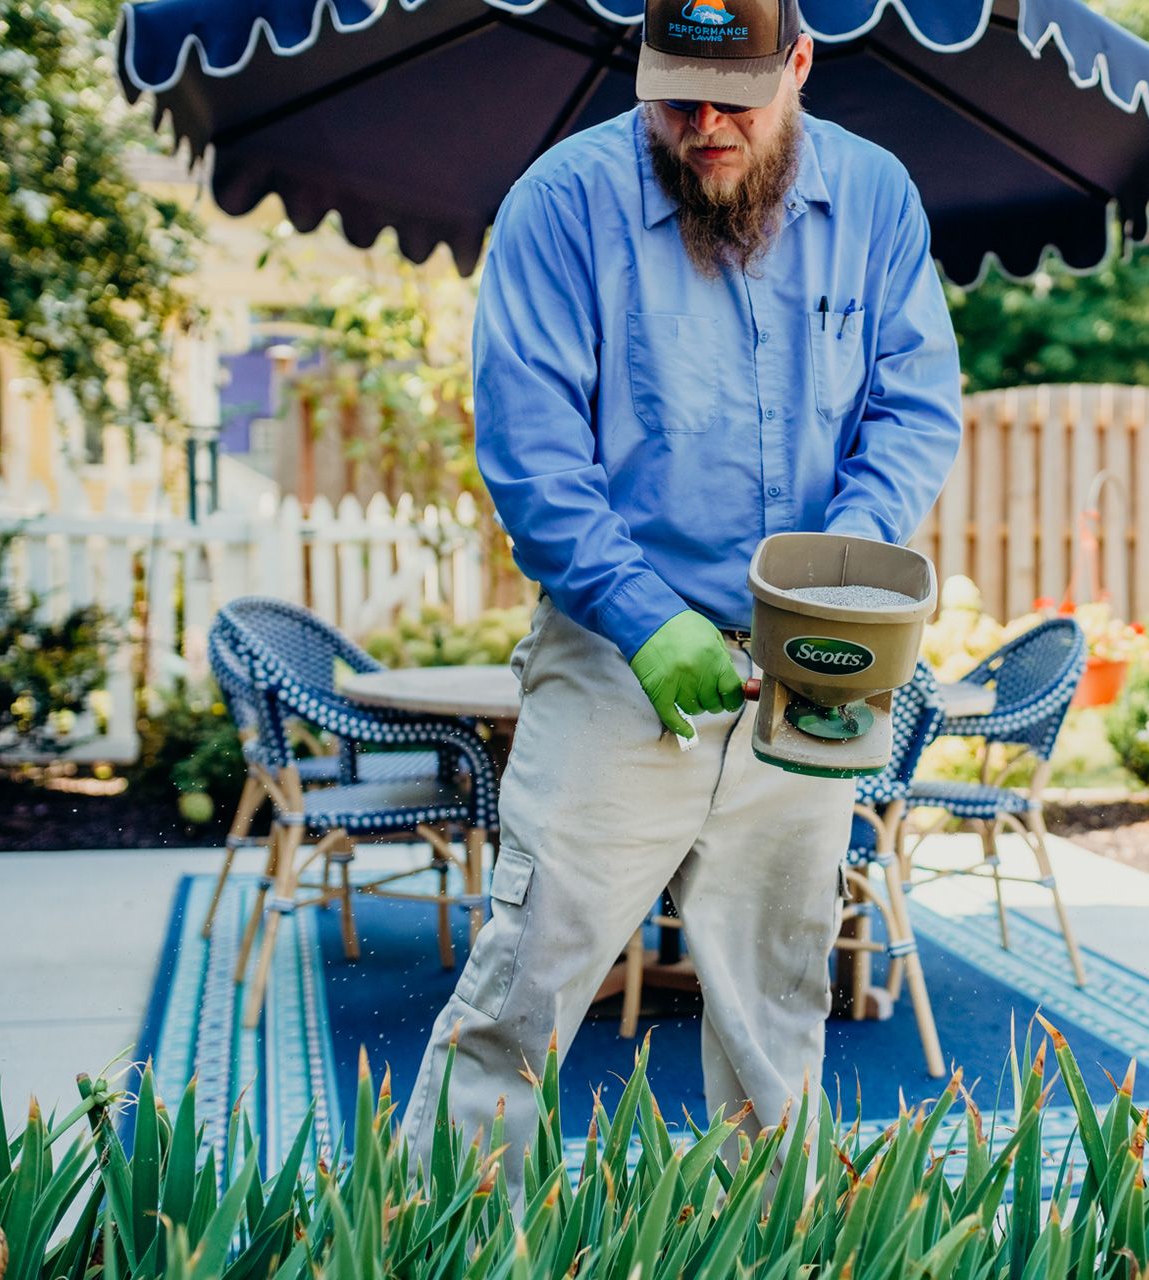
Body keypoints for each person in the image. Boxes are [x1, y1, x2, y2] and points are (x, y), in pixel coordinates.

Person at [396, 0, 963, 1185]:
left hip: (814, 659)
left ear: (799, 64)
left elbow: (914, 414)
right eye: (676, 94)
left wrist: (829, 587)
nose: (703, 124)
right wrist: (645, 618)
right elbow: (531, 453)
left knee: (776, 990)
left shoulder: (876, 198)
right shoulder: (563, 202)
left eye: (735, 97)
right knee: (530, 975)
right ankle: (433, 1235)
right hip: (615, 652)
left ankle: (767, 1244)